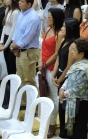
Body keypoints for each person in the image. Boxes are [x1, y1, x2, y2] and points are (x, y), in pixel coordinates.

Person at [59, 39, 88, 139]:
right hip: (74, 102)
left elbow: (77, 88)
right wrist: (62, 88)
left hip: (83, 105)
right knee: (72, 133)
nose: (71, 51)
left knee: (79, 133)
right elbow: (68, 78)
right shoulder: (77, 64)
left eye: (74, 50)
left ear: (81, 54)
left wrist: (64, 94)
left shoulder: (86, 68)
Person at [52, 18, 80, 138]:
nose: (61, 28)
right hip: (59, 74)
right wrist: (53, 75)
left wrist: (60, 79)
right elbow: (58, 58)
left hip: (67, 77)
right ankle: (62, 131)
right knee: (60, 105)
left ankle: (67, 133)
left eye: (64, 26)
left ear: (70, 29)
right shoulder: (63, 40)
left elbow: (69, 66)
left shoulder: (74, 45)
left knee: (66, 106)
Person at [38, 8, 64, 137]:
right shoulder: (48, 29)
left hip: (51, 68)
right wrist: (40, 62)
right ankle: (46, 121)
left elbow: (56, 54)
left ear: (56, 18)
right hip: (43, 67)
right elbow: (42, 48)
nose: (47, 19)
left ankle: (53, 124)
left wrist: (44, 64)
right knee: (45, 95)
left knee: (53, 97)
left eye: (50, 17)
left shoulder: (59, 33)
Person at [10, 0, 41, 88]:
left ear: (29, 4)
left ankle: (34, 103)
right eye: (19, 1)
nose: (19, 3)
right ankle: (23, 103)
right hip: (19, 51)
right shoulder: (21, 14)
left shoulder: (33, 17)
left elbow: (27, 38)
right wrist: (14, 45)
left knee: (29, 81)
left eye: (22, 1)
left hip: (29, 52)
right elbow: (16, 31)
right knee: (20, 80)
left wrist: (14, 46)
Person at [0, 0, 20, 74]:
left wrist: (6, 45)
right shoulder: (7, 10)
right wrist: (1, 42)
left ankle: (13, 84)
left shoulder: (16, 12)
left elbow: (13, 30)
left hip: (11, 39)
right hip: (5, 37)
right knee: (7, 63)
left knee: (12, 64)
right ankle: (9, 83)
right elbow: (5, 26)